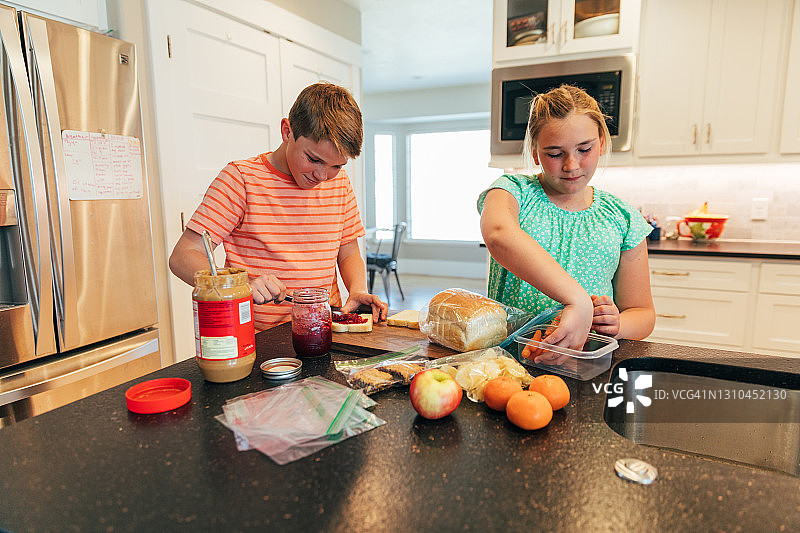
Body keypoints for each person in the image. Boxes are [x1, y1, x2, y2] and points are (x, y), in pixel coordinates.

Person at [169, 82, 387, 330]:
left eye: (336, 166)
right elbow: (182, 257)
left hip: (323, 329)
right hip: (256, 339)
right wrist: (241, 284)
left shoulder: (340, 185)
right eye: (314, 159)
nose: (322, 176)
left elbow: (348, 252)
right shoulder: (241, 179)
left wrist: (357, 290)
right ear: (287, 131)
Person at [478, 84, 655, 354]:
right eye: (555, 154)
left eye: (584, 149)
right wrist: (578, 301)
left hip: (585, 361)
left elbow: (643, 313)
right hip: (508, 358)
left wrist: (617, 323)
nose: (571, 165)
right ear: (536, 152)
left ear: (602, 143)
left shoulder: (623, 217)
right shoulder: (512, 192)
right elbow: (498, 233)